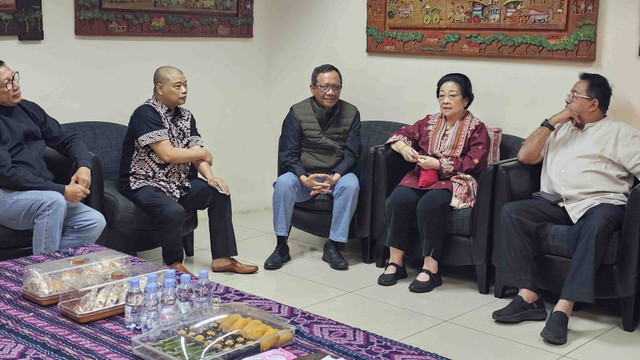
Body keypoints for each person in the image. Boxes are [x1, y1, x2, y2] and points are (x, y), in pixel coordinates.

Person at [491, 73, 640, 345]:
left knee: (595, 225)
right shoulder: (560, 129)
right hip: (558, 203)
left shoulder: (620, 133)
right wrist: (552, 122)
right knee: (513, 212)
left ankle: (563, 309)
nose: (567, 100)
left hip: (600, 204)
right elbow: (526, 156)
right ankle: (528, 297)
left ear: (593, 104)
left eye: (574, 95)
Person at [119, 66, 258, 276]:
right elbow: (168, 154)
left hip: (177, 181)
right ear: (160, 88)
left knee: (219, 192)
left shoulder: (186, 116)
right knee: (174, 211)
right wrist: (203, 153)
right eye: (178, 86)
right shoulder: (145, 113)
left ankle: (222, 258)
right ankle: (172, 263)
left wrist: (211, 177)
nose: (184, 90)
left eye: (186, 85)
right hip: (144, 181)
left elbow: (196, 152)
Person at [377, 73, 489, 293]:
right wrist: (405, 149)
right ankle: (396, 262)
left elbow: (473, 163)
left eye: (452, 95)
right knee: (398, 199)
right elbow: (400, 134)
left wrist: (438, 164)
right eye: (441, 96)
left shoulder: (476, 127)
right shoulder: (429, 122)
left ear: (465, 99)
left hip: (455, 180)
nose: (445, 101)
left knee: (429, 205)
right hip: (422, 176)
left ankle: (431, 268)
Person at [0, 60, 106, 254]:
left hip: (39, 191)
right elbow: (7, 174)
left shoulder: (29, 109)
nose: (15, 85)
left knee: (94, 221)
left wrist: (84, 165)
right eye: (7, 83)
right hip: (6, 194)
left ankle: (40, 264)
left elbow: (68, 138)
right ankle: (43, 277)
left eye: (14, 77)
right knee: (53, 201)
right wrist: (62, 190)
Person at [265, 64, 361, 271]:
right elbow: (287, 154)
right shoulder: (297, 112)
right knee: (282, 183)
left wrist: (336, 176)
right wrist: (303, 178)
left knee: (351, 185)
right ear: (312, 88)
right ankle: (281, 246)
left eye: (336, 88)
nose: (330, 93)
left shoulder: (351, 112)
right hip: (304, 175)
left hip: (335, 175)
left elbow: (352, 153)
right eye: (325, 87)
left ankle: (333, 245)